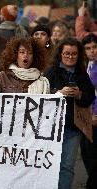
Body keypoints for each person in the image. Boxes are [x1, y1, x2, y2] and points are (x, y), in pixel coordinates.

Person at [44, 37, 95, 189]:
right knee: (50, 165)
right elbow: (42, 95)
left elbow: (89, 96)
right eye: (67, 53)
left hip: (73, 128)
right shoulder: (51, 72)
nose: (70, 57)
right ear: (60, 54)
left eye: (74, 54)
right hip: (51, 128)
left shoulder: (81, 73)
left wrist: (79, 95)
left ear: (78, 55)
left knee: (67, 166)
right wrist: (58, 92)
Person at [81, 33, 97, 189]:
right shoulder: (86, 65)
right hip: (86, 117)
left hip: (95, 116)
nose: (92, 51)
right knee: (87, 153)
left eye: (94, 47)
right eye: (88, 48)